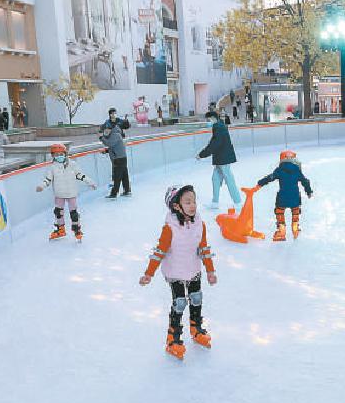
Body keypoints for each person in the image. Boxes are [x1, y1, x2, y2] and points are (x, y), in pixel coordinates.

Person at [139, 185, 217, 358]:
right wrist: (148, 274)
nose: (193, 205)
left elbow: (203, 248)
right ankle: (172, 340)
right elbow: (160, 251)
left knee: (196, 298)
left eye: (194, 201)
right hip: (175, 272)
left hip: (193, 269)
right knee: (180, 302)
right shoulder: (170, 228)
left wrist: (210, 271)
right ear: (176, 206)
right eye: (187, 202)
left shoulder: (199, 224)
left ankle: (196, 330)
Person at [35, 143, 97, 241]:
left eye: (61, 154)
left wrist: (90, 182)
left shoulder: (72, 164)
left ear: (65, 154)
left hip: (71, 193)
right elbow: (47, 179)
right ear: (53, 156)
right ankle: (61, 230)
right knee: (58, 212)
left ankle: (77, 230)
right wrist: (41, 186)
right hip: (59, 194)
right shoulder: (52, 167)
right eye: (56, 154)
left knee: (74, 212)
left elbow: (80, 175)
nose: (59, 156)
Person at [256, 149, 313, 241]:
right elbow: (305, 181)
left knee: (279, 212)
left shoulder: (279, 170)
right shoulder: (297, 170)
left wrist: (260, 183)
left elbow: (270, 177)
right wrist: (309, 192)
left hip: (282, 197)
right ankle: (295, 229)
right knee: (295, 211)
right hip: (295, 197)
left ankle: (281, 233)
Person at [197, 114, 242, 209]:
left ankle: (238, 202)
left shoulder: (219, 128)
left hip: (223, 158)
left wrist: (202, 154)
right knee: (215, 178)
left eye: (208, 120)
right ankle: (215, 202)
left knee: (229, 179)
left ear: (213, 118)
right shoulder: (219, 126)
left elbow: (214, 144)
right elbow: (214, 143)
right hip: (220, 158)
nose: (208, 122)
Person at [101, 108, 132, 198]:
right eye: (112, 113)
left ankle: (114, 193)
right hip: (121, 157)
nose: (105, 132)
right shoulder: (115, 132)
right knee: (124, 175)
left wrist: (101, 138)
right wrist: (107, 151)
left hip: (118, 158)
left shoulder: (115, 134)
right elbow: (113, 146)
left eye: (107, 131)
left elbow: (109, 143)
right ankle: (127, 190)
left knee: (117, 176)